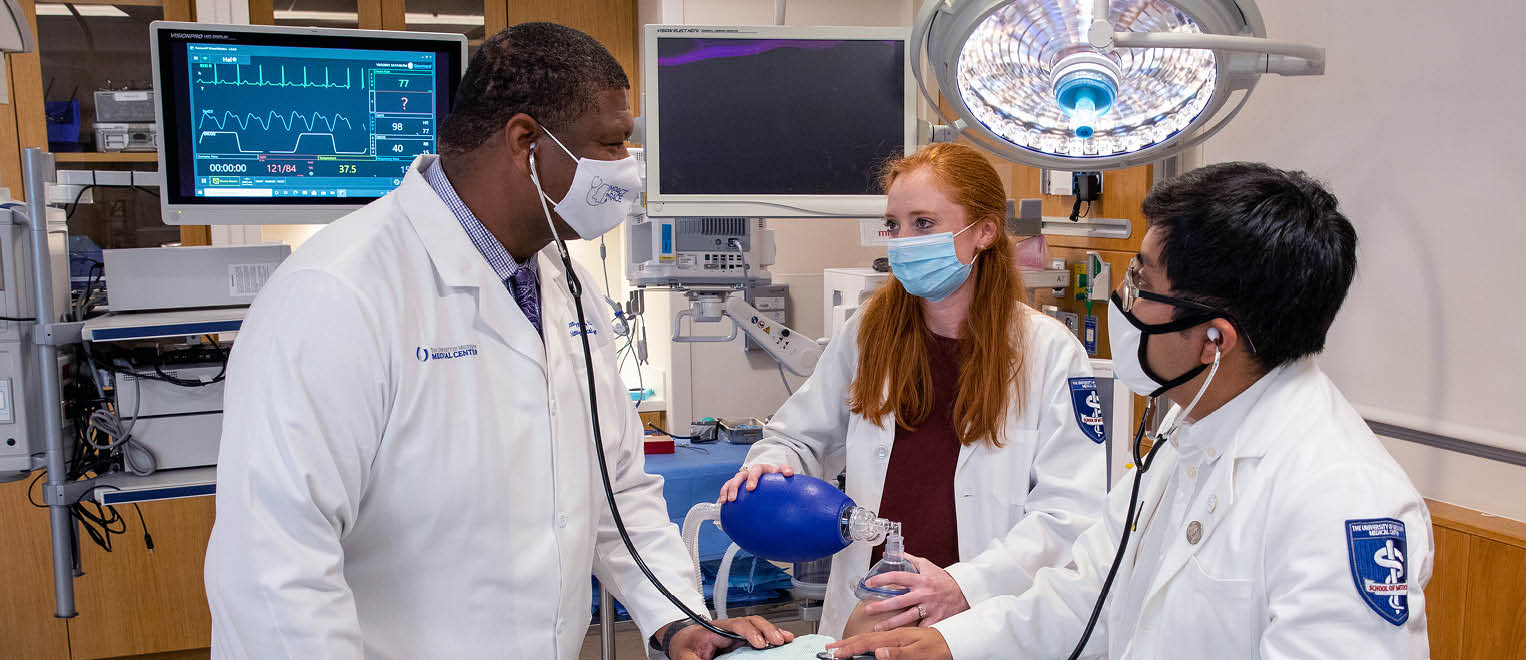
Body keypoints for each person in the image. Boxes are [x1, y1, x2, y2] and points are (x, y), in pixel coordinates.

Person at [204, 23, 790, 660]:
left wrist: (681, 620)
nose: (627, 169)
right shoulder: (338, 294)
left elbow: (616, 489)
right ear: (525, 143)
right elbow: (274, 569)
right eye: (612, 144)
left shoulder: (566, 286)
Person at [828, 162, 1435, 659]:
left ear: (1212, 340)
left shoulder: (1342, 501)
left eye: (1141, 284)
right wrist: (947, 644)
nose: (1122, 302)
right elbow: (1086, 591)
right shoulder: (1188, 428)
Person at [717, 143, 1108, 639]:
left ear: (985, 231)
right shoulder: (869, 333)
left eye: (923, 223)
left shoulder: (1049, 352)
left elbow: (1070, 514)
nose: (902, 241)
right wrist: (771, 466)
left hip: (982, 622)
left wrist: (963, 585)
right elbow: (799, 437)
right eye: (894, 225)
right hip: (871, 613)